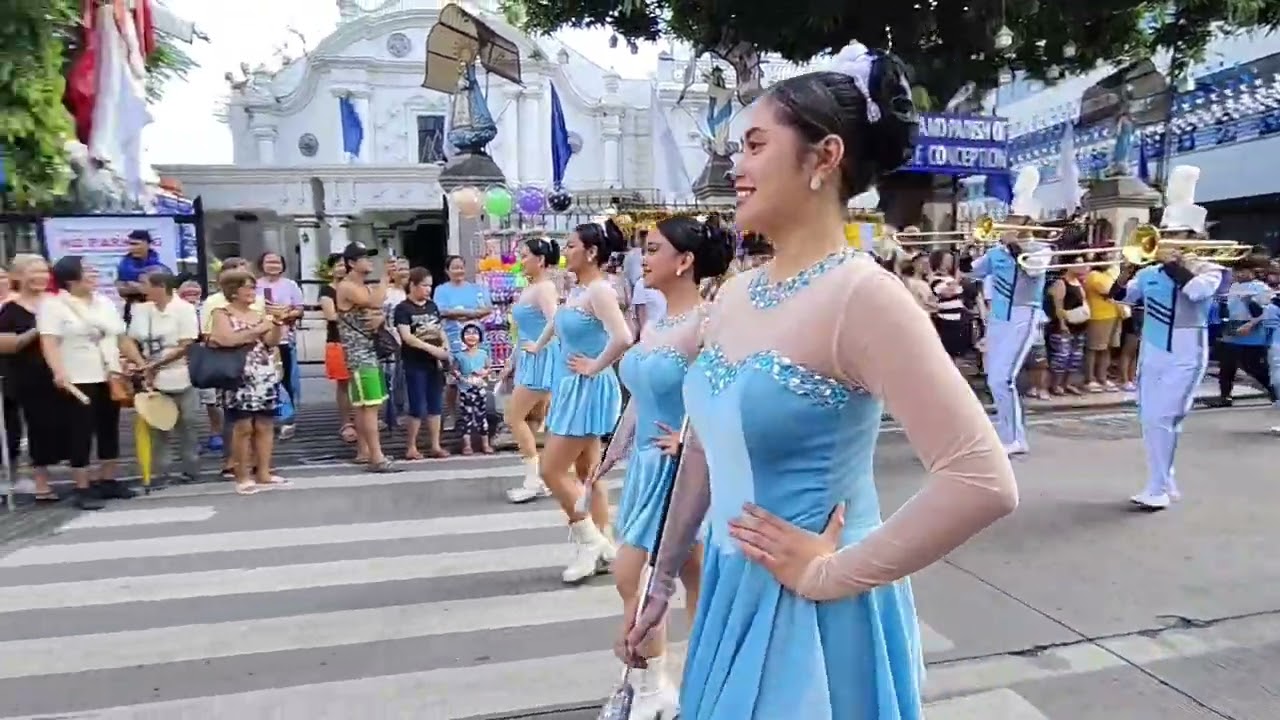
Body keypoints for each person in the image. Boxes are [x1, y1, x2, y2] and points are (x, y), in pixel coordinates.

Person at [618, 42, 1018, 718]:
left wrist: (831, 573)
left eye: (753, 146)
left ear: (824, 157)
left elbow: (981, 480)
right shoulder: (737, 294)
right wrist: (660, 580)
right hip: (727, 592)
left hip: (816, 617)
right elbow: (706, 448)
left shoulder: (863, 296)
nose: (735, 167)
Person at [590, 214, 731, 718]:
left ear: (685, 261)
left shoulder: (707, 322)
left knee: (638, 574)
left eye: (652, 249)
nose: (642, 258)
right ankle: (663, 688)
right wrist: (613, 452)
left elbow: (723, 392)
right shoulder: (655, 319)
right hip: (647, 466)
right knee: (684, 576)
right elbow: (641, 397)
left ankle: (680, 684)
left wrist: (691, 438)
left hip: (681, 470)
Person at [525, 219, 633, 584]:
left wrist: (594, 366)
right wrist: (539, 347)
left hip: (586, 387)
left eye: (571, 245)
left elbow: (623, 336)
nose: (565, 251)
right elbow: (559, 326)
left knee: (551, 470)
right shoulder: (577, 289)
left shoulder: (599, 290)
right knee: (589, 474)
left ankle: (592, 542)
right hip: (573, 385)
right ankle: (603, 544)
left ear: (591, 252)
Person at [1109, 165, 1222, 509]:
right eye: (1166, 233)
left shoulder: (1210, 268)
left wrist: (1174, 264)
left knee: (1166, 418)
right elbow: (1121, 297)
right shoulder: (1151, 272)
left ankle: (1158, 487)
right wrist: (1126, 270)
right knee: (1149, 419)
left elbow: (1197, 293)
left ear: (1193, 239)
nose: (1168, 239)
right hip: (1152, 350)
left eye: (1177, 234)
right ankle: (1162, 480)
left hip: (1187, 351)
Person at [967, 165, 1052, 456]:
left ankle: (1016, 437)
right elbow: (973, 273)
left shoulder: (1042, 249)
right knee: (994, 377)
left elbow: (1032, 270)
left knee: (1003, 378)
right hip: (998, 317)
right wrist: (976, 248)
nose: (1007, 223)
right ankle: (1006, 430)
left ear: (1027, 221)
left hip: (1024, 315)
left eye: (1013, 219)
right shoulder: (998, 251)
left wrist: (1013, 247)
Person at [40, 256, 132, 510]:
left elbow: (120, 335)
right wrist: (58, 371)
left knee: (109, 427)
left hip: (109, 373)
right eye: (87, 270)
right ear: (71, 278)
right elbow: (49, 342)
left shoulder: (104, 302)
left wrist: (137, 363)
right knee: (80, 430)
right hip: (78, 375)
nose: (93, 274)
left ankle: (108, 479)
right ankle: (81, 485)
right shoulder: (54, 305)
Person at [120, 271, 202, 483]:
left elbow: (186, 344)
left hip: (180, 372)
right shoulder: (141, 310)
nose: (141, 289)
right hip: (151, 378)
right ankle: (162, 472)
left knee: (188, 423)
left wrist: (155, 364)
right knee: (157, 426)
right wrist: (140, 364)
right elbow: (129, 340)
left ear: (160, 286)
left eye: (144, 284)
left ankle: (191, 469)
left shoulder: (184, 309)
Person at [501, 237, 562, 503]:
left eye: (525, 256)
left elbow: (556, 322)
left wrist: (537, 346)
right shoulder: (531, 288)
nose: (521, 261)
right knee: (532, 419)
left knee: (513, 417)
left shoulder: (544, 288)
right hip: (529, 356)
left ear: (540, 260)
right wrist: (513, 361)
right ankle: (541, 476)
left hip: (540, 359)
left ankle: (533, 479)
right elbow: (523, 331)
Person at [0, 255, 60, 502]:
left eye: (43, 271)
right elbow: (6, 345)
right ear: (18, 277)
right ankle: (37, 483)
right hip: (21, 375)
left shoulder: (57, 302)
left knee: (49, 427)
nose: (40, 277)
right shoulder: (10, 308)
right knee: (21, 430)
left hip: (55, 371)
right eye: (32, 272)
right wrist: (40, 329)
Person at [335, 241, 399, 472]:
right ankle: (377, 457)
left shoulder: (363, 286)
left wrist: (379, 316)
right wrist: (385, 279)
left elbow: (378, 309)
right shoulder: (347, 286)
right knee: (369, 407)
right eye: (364, 258)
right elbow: (374, 302)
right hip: (359, 355)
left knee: (367, 405)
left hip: (368, 352)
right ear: (351, 263)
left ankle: (367, 452)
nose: (369, 261)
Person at [394, 267, 452, 459]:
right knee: (417, 404)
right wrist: (431, 349)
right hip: (414, 361)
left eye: (430, 286)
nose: (428, 290)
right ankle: (411, 446)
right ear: (413, 285)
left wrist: (445, 346)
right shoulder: (403, 309)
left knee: (435, 404)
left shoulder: (432, 306)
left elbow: (439, 329)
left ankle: (435, 445)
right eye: (424, 285)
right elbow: (407, 337)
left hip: (434, 363)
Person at [256, 252, 305, 439]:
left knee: (286, 379)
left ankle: (288, 419)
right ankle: (266, 418)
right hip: (259, 341)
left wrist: (284, 315)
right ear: (262, 264)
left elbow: (299, 309)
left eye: (277, 261)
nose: (273, 265)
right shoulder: (256, 284)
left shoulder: (290, 285)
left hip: (284, 338)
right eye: (269, 261)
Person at [318, 253, 357, 443]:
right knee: (343, 383)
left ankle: (359, 418)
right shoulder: (327, 290)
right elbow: (331, 316)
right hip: (337, 340)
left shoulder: (354, 287)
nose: (342, 268)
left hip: (357, 340)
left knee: (358, 381)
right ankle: (345, 422)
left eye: (345, 265)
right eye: (338, 265)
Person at [115, 229, 170, 324]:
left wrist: (133, 286)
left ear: (147, 244)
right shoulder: (123, 266)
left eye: (136, 244)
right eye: (130, 244)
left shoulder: (160, 268)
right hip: (133, 310)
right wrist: (144, 287)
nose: (132, 248)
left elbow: (165, 291)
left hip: (158, 310)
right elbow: (121, 290)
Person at [454, 323, 493, 454]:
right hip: (465, 389)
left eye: (474, 333)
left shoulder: (483, 354)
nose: (471, 336)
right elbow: (454, 369)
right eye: (468, 333)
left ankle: (485, 444)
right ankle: (467, 445)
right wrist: (458, 375)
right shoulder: (459, 355)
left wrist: (484, 373)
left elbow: (489, 368)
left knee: (482, 416)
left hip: (479, 388)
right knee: (466, 417)